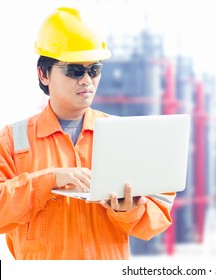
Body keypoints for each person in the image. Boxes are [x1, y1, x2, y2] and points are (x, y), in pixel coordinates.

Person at [0, 6, 175, 260]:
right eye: (75, 70)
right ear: (43, 74)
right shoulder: (13, 140)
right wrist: (49, 180)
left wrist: (129, 210)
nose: (87, 80)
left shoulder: (122, 135)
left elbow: (157, 217)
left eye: (94, 69)